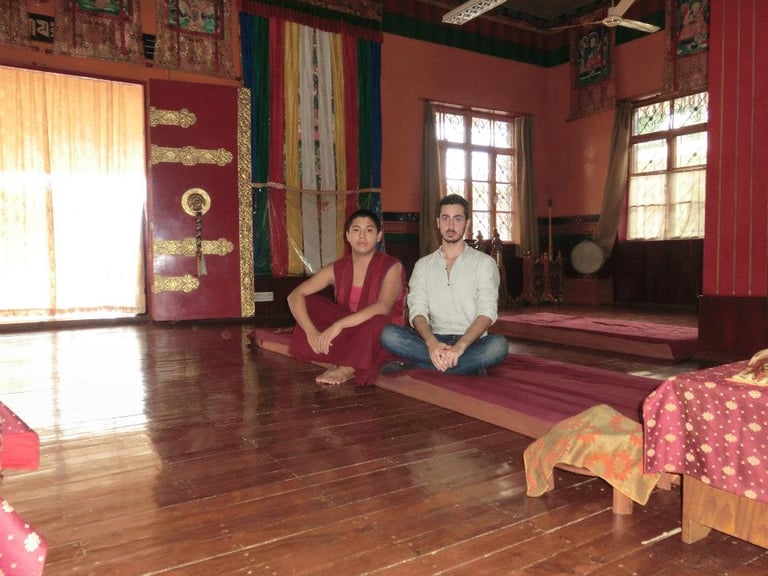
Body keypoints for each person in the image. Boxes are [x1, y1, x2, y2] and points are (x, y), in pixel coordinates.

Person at [380, 194, 508, 375]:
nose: (451, 225)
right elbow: (417, 311)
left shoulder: (484, 263)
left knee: (498, 346)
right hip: (434, 338)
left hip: (472, 341)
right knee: (388, 334)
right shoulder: (423, 265)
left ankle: (420, 364)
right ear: (437, 222)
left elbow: (487, 313)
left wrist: (461, 346)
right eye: (445, 218)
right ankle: (464, 367)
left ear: (467, 223)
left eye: (458, 219)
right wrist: (432, 344)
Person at [287, 208, 406, 385]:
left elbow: (383, 307)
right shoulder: (338, 267)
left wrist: (338, 325)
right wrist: (311, 332)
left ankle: (348, 366)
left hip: (375, 331)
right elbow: (294, 295)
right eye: (356, 230)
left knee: (378, 321)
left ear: (379, 236)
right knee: (309, 302)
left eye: (369, 230)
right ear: (348, 236)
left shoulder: (392, 266)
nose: (362, 236)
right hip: (350, 329)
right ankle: (344, 353)